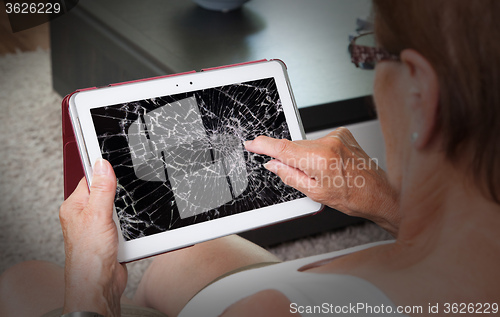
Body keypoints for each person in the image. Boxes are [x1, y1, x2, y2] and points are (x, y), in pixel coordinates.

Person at [1, 0, 500, 316]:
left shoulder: (267, 310)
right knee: (183, 252)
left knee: (22, 282)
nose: (369, 72)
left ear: (419, 94)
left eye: (369, 52)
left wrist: (90, 294)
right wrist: (389, 204)